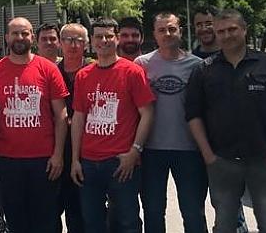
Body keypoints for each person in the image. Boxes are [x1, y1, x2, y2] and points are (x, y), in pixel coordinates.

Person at [185, 9, 266, 233]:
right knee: (224, 225)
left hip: (263, 158)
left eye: (232, 29)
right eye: (221, 31)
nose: (227, 35)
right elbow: (193, 115)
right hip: (222, 161)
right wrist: (208, 155)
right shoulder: (204, 70)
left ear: (244, 30)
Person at [0, 17, 69, 233]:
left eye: (25, 33)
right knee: (15, 219)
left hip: (44, 161)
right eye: (15, 33)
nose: (20, 38)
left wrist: (58, 155)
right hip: (7, 160)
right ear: (6, 38)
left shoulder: (48, 69)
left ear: (32, 37)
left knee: (47, 219)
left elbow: (61, 115)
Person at [70, 18, 155, 233]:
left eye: (109, 36)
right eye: (99, 36)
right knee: (93, 222)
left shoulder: (132, 72)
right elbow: (78, 118)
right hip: (89, 162)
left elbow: (147, 113)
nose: (104, 40)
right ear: (91, 41)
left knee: (127, 222)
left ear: (116, 39)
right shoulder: (83, 75)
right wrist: (74, 160)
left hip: (120, 162)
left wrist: (135, 151)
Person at [134, 13, 206, 233]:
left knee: (193, 211)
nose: (167, 34)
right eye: (162, 30)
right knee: (153, 211)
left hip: (188, 149)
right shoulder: (142, 64)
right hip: (151, 149)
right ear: (154, 34)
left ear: (180, 31)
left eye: (172, 29)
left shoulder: (197, 65)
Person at [55, 23, 92, 233]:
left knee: (80, 214)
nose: (73, 44)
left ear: (86, 44)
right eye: (68, 39)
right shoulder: (51, 72)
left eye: (78, 40)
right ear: (60, 43)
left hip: (87, 152)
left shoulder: (93, 70)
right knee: (51, 212)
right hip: (57, 151)